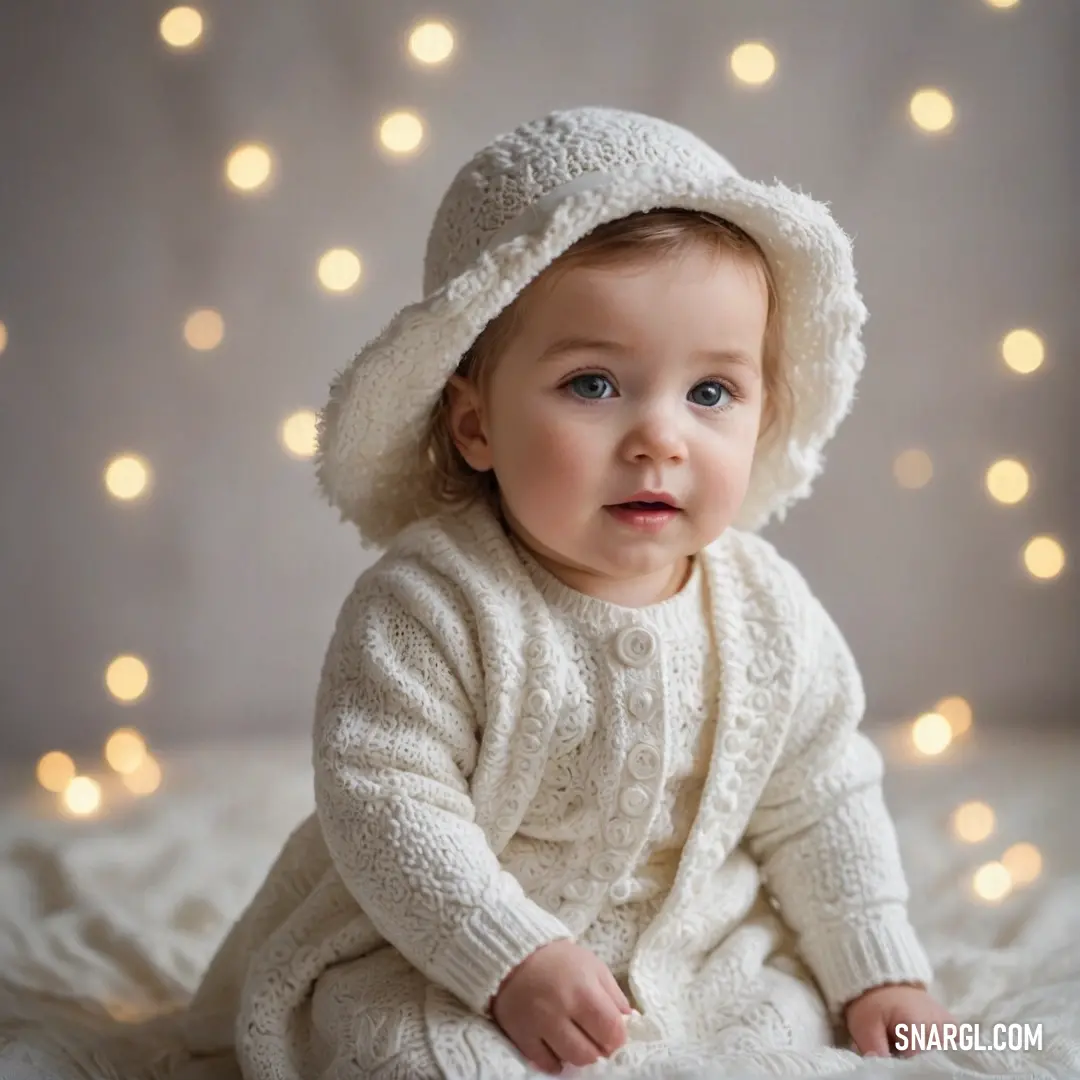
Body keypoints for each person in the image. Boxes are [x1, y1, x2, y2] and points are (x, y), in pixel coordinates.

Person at [181, 106, 955, 1079]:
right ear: (476, 427)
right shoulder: (432, 602)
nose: (660, 439)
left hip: (696, 950)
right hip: (443, 950)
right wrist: (512, 958)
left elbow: (818, 802)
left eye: (710, 392)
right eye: (594, 384)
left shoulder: (768, 612)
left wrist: (876, 975)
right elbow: (386, 804)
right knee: (407, 1055)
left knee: (782, 1042)